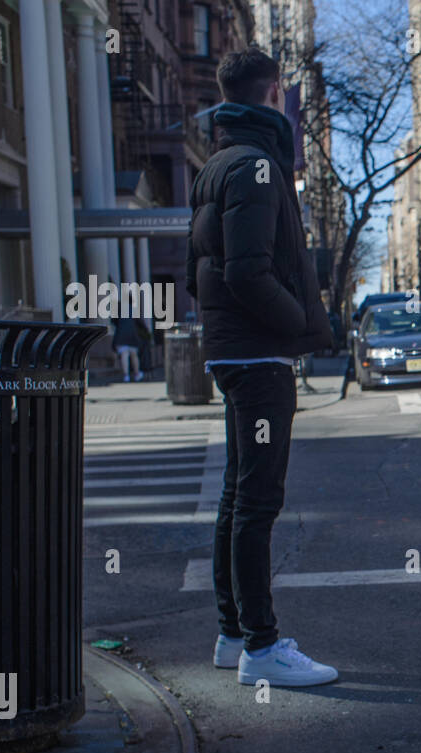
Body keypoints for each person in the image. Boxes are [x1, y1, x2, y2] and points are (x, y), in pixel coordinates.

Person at [186, 46, 337, 687]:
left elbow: (210, 272)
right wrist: (301, 323)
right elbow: (247, 272)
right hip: (257, 355)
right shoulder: (254, 168)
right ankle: (263, 648)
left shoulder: (222, 161)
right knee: (257, 503)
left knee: (236, 496)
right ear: (274, 93)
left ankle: (233, 634)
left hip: (234, 351)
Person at [112, 315, 145, 382]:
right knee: (134, 355)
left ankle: (126, 375)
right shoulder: (133, 308)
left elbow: (114, 321)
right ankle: (137, 374)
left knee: (124, 354)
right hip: (132, 334)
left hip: (121, 333)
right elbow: (139, 321)